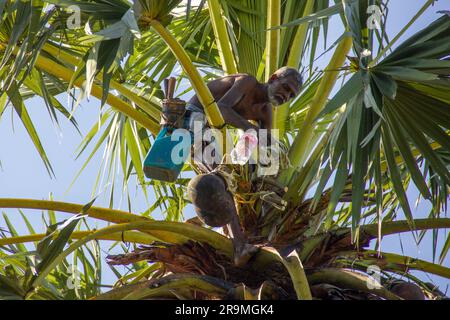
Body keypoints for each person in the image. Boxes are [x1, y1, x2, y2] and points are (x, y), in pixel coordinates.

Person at [186, 67, 303, 266]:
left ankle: (208, 222)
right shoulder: (247, 82)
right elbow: (221, 109)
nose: (286, 95)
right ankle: (239, 246)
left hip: (209, 127)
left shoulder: (265, 111)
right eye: (285, 87)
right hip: (194, 117)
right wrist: (252, 129)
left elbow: (269, 149)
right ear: (273, 78)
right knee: (222, 176)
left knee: (236, 175)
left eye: (291, 95)